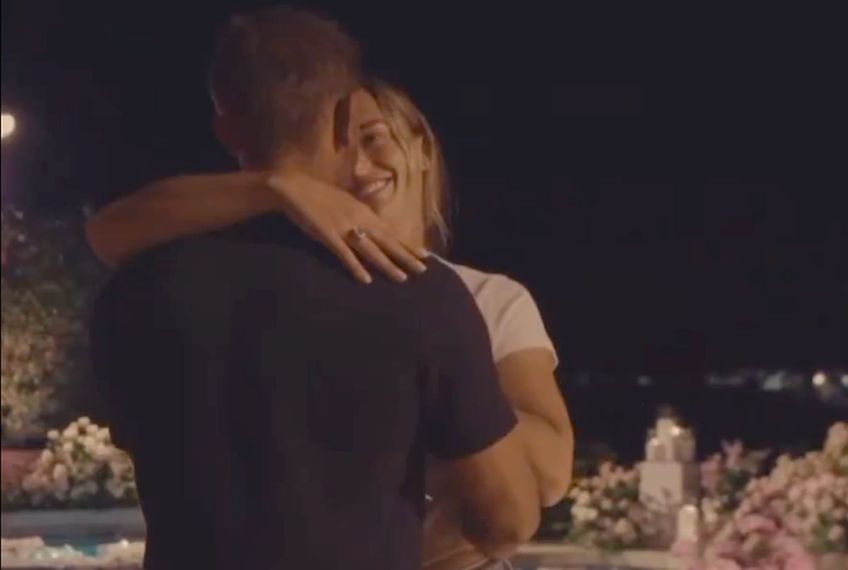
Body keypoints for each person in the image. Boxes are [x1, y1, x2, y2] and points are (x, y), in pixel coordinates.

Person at [89, 7, 541, 570]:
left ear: (226, 129)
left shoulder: (132, 294)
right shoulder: (417, 291)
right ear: (346, 123)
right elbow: (507, 520)